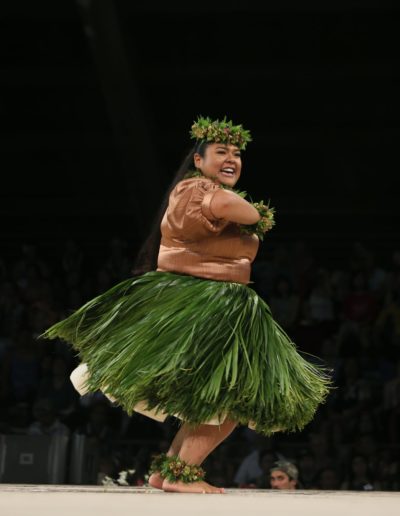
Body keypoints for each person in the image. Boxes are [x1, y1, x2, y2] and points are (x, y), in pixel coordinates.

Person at [40, 116, 331, 494]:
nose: (232, 159)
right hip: (210, 304)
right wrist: (255, 214)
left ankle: (172, 470)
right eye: (221, 152)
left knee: (212, 398)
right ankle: (180, 473)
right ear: (198, 160)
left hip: (212, 301)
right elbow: (247, 212)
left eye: (237, 154)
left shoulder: (195, 192)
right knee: (231, 398)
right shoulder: (197, 190)